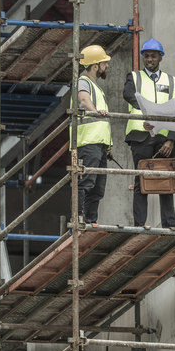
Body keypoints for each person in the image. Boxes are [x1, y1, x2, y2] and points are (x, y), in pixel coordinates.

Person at [123, 38, 175, 228]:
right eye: (146, 56)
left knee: (167, 182)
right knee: (141, 182)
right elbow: (128, 95)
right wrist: (147, 114)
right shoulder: (134, 77)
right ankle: (140, 226)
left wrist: (172, 140)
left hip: (164, 139)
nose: (149, 59)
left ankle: (169, 225)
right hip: (141, 137)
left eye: (153, 56)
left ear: (160, 58)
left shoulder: (172, 81)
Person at [72, 45, 113, 224]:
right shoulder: (83, 81)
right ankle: (80, 218)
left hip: (99, 144)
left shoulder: (96, 87)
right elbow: (83, 99)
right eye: (105, 63)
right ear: (95, 66)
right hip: (88, 142)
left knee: (97, 188)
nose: (107, 66)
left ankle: (90, 221)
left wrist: (109, 147)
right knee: (86, 182)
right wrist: (95, 111)